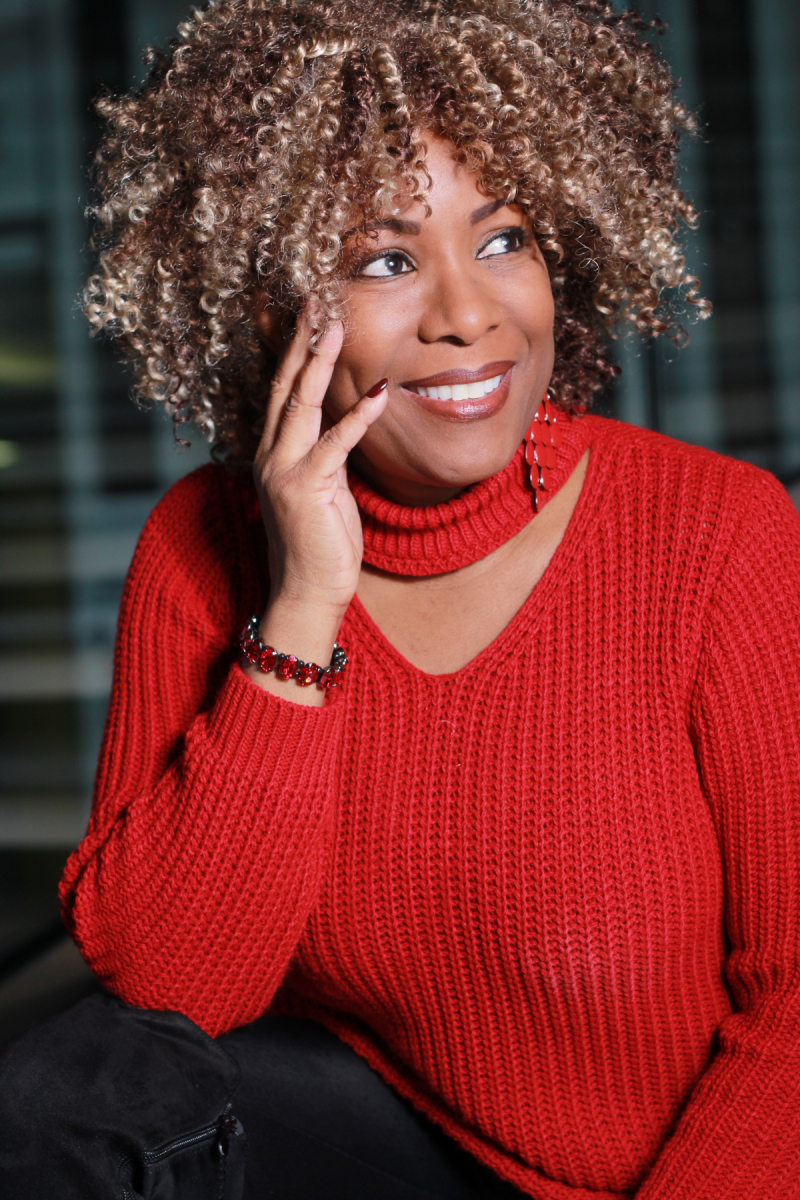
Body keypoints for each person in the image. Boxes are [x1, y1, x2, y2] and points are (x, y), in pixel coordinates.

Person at [2, 0, 799, 1196]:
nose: (466, 315)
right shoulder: (200, 546)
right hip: (394, 1149)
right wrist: (304, 604)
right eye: (384, 260)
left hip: (681, 1175)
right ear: (277, 309)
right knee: (66, 1094)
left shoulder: (715, 531)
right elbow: (170, 999)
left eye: (503, 239)